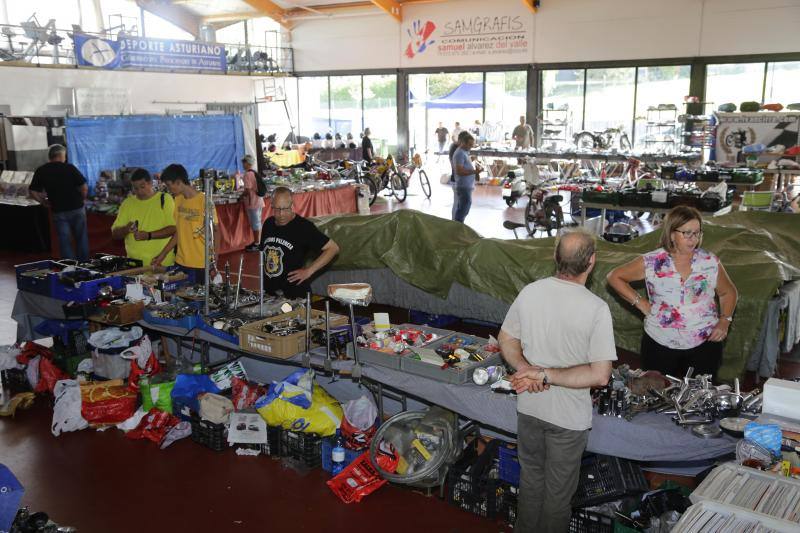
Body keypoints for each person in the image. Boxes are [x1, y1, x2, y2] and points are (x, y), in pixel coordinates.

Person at [499, 230, 616, 533]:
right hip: (568, 420)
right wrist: (544, 374)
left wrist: (528, 370)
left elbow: (506, 338)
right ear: (592, 261)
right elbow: (601, 375)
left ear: (555, 257)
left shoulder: (531, 291)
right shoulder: (596, 309)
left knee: (531, 484)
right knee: (557, 498)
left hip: (530, 409)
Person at [607, 206, 738, 378]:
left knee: (699, 399)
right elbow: (614, 277)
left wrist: (725, 320)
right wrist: (641, 303)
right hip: (659, 342)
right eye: (687, 233)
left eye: (697, 233)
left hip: (704, 344)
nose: (693, 239)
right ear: (671, 234)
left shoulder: (710, 261)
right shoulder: (652, 262)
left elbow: (728, 292)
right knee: (657, 395)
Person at [260, 187, 340, 298]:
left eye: (285, 208)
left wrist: (309, 271)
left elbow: (333, 248)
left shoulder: (303, 227)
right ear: (271, 205)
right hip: (270, 293)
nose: (281, 214)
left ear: (292, 205)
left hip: (295, 294)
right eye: (277, 209)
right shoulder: (268, 224)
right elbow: (263, 255)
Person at [153, 164, 219, 284]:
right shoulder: (178, 200)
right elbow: (179, 232)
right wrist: (163, 254)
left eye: (169, 185)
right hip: (181, 261)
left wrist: (214, 262)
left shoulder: (204, 201)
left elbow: (216, 232)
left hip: (201, 263)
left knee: (198, 301)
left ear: (178, 182)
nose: (168, 189)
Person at [29, 144, 89, 261]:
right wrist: (82, 198)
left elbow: (32, 191)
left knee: (64, 240)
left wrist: (43, 202)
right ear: (61, 155)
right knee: (81, 238)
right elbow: (84, 187)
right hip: (77, 208)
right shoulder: (70, 168)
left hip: (59, 211)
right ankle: (84, 264)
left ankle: (69, 267)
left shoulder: (42, 170)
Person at [111, 168, 176, 267]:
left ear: (150, 183)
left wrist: (149, 235)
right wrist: (126, 229)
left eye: (142, 187)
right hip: (134, 266)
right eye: (135, 188)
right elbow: (114, 234)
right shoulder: (127, 203)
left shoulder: (165, 199)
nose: (139, 191)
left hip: (161, 264)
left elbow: (173, 229)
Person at [450, 132, 482, 223]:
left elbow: (464, 165)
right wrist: (474, 171)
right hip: (463, 186)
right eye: (469, 144)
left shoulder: (464, 152)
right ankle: (457, 227)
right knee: (462, 210)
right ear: (463, 142)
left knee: (464, 208)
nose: (471, 147)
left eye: (472, 145)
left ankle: (458, 226)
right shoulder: (459, 153)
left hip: (467, 185)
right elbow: (459, 171)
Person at [240, 155, 264, 252]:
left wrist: (241, 196)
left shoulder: (247, 175)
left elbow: (248, 191)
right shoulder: (254, 173)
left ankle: (257, 244)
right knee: (257, 223)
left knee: (255, 224)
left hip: (252, 202)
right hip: (258, 201)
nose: (243, 164)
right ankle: (257, 242)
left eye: (244, 162)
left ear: (248, 163)